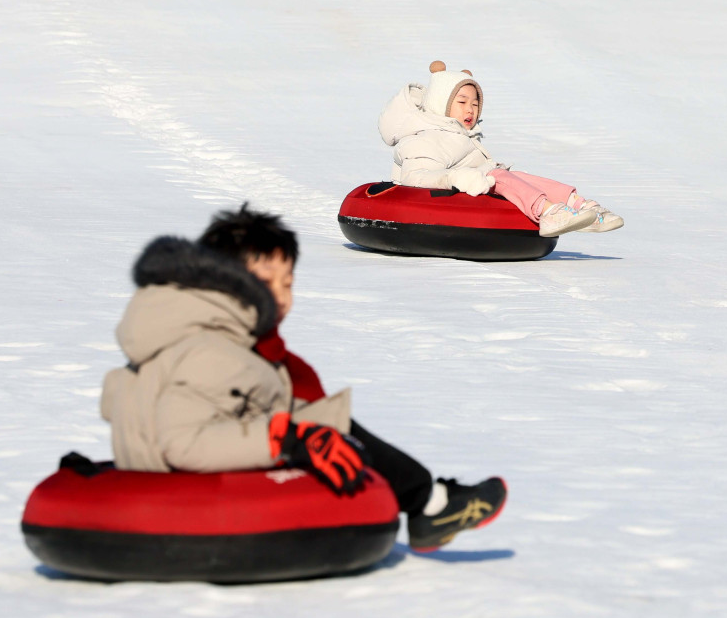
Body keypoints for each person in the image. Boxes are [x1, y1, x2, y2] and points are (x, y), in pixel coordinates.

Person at [100, 204, 506, 552]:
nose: (280, 296)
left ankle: (427, 500)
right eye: (263, 283)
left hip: (203, 473)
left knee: (327, 423)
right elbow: (182, 444)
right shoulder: (209, 351)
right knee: (327, 429)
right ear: (218, 280)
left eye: (287, 284)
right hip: (184, 495)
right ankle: (428, 503)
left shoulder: (209, 338)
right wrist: (289, 438)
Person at [379, 60, 625, 238]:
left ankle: (580, 207)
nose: (470, 110)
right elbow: (415, 177)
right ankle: (548, 212)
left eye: (475, 104)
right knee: (497, 176)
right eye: (462, 102)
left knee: (515, 176)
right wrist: (456, 177)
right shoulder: (423, 136)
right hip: (428, 206)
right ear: (440, 103)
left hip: (471, 188)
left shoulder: (462, 137)